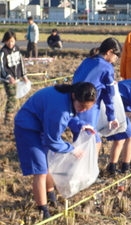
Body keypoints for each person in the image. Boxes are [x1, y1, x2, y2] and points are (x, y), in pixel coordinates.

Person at [14, 82, 97, 219]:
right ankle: (43, 211)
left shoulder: (70, 97)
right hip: (28, 127)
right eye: (81, 106)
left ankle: (51, 196)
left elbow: (71, 116)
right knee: (40, 171)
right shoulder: (59, 109)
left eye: (87, 108)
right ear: (74, 96)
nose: (82, 110)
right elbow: (51, 140)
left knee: (48, 164)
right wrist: (72, 149)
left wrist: (81, 125)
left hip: (42, 125)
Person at [72, 37, 122, 152]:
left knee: (79, 137)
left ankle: (79, 165)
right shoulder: (107, 67)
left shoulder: (87, 61)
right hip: (88, 106)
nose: (116, 59)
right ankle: (87, 168)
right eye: (116, 56)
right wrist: (111, 116)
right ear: (109, 52)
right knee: (92, 141)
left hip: (73, 102)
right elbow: (109, 94)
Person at [0, 30, 29, 124]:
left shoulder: (17, 49)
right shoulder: (3, 52)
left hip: (16, 78)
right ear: (5, 41)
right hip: (7, 79)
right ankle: (8, 120)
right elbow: (2, 67)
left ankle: (14, 116)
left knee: (16, 97)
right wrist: (8, 77)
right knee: (12, 96)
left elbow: (21, 62)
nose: (10, 43)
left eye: (12, 41)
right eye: (8, 41)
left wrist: (24, 75)